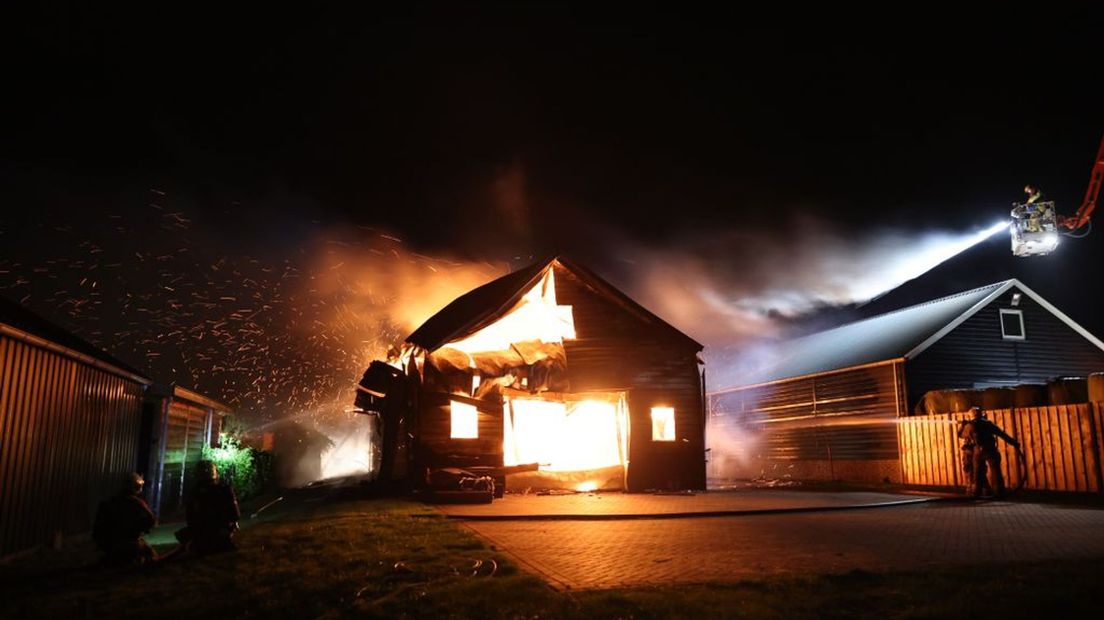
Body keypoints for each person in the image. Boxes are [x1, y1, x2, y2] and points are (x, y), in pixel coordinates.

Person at [92, 472, 157, 566]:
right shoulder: (137, 503)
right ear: (136, 487)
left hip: (108, 547)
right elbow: (152, 521)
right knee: (150, 553)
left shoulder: (108, 502)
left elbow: (97, 531)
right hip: (130, 545)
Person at [178, 460, 241, 555]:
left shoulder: (196, 491)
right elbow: (235, 514)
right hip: (213, 529)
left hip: (212, 530)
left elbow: (190, 517)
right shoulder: (223, 489)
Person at [959, 407, 1020, 499]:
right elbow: (1002, 434)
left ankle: (976, 493)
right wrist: (1014, 443)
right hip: (990, 450)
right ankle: (999, 492)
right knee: (996, 472)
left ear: (971, 415)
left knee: (977, 473)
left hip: (977, 451)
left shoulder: (970, 425)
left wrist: (962, 426)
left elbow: (960, 435)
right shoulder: (988, 424)